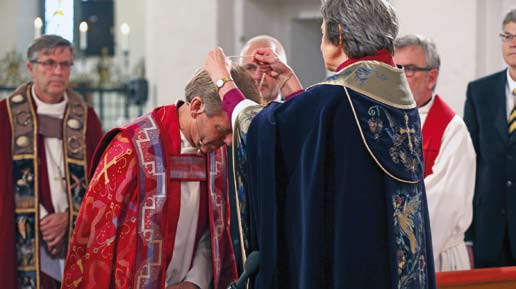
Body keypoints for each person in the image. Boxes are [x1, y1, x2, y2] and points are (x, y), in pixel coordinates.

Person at [204, 0, 436, 288]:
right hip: (391, 256)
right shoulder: (398, 95)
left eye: (323, 32)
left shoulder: (336, 97)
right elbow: (320, 143)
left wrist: (222, 82)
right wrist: (289, 82)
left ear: (338, 36)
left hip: (352, 261)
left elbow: (262, 129)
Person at [61, 65, 260, 289]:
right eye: (222, 129)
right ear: (196, 106)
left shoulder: (215, 152)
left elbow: (214, 230)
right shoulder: (131, 148)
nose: (229, 141)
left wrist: (195, 282)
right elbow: (98, 245)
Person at [0, 34, 103, 289]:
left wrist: (69, 216)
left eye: (65, 64)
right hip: (23, 235)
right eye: (49, 63)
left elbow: (103, 182)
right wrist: (42, 218)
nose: (57, 71)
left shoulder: (86, 118)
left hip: (75, 231)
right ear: (30, 67)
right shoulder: (6, 116)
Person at [394, 34, 476, 272]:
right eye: (394, 68)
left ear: (431, 77)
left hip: (437, 257)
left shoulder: (453, 130)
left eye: (408, 70)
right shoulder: (383, 122)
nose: (398, 77)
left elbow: (441, 204)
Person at [464, 9, 516, 268]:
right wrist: (468, 238)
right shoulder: (479, 92)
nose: (513, 43)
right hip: (488, 231)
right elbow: (469, 165)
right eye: (507, 36)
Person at [240, 35, 288, 104]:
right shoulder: (227, 113)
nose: (257, 76)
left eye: (267, 68)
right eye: (250, 68)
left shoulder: (297, 112)